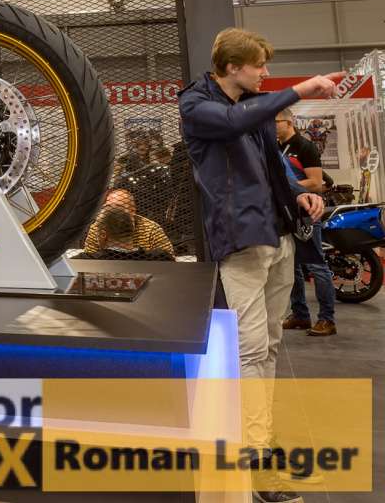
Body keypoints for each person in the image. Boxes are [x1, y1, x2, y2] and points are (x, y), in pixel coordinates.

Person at [178, 29, 336, 503]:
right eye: (259, 66)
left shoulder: (254, 107)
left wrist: (299, 193)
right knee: (249, 353)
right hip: (241, 243)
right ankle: (254, 464)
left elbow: (272, 168)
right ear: (232, 67)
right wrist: (299, 90)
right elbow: (231, 122)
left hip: (278, 238)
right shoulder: (197, 105)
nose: (265, 73)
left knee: (268, 348)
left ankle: (260, 443)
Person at [276, 110, 336, 337]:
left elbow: (317, 183)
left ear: (289, 122)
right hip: (288, 215)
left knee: (316, 265)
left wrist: (285, 187)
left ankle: (327, 319)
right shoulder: (276, 147)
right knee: (292, 266)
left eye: (276, 122)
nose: (272, 126)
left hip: (308, 213)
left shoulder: (305, 147)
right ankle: (300, 314)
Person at [82, 188, 174, 256]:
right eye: (108, 207)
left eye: (119, 207)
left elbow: (168, 260)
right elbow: (89, 259)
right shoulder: (97, 228)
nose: (112, 211)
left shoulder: (152, 230)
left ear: (132, 210)